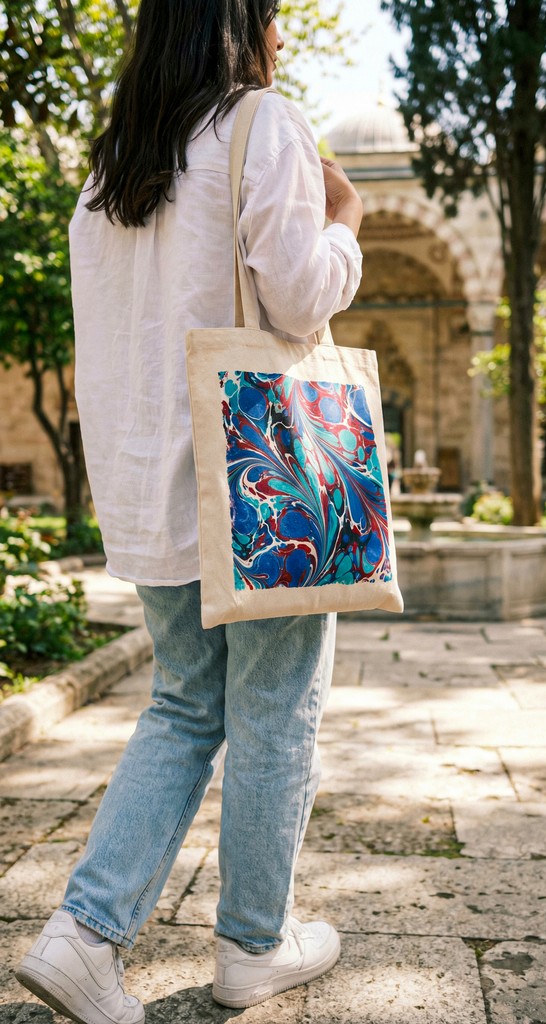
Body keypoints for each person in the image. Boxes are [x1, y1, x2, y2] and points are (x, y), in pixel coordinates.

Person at [15, 1, 363, 1021]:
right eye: (271, 14)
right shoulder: (262, 124)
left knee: (182, 703)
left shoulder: (113, 168)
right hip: (259, 475)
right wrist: (344, 224)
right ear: (236, 21)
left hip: (151, 483)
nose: (281, 37)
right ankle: (252, 944)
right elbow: (298, 297)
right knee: (274, 708)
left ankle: (85, 934)